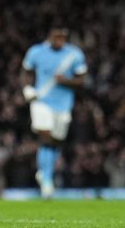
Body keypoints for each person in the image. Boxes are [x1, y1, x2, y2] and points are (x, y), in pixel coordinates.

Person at [22, 27, 87, 198]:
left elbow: (82, 80)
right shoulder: (36, 52)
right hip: (41, 101)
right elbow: (26, 72)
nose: (59, 39)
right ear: (49, 36)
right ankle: (47, 181)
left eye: (62, 36)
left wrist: (66, 81)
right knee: (45, 136)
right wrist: (27, 88)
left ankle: (45, 172)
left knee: (56, 142)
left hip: (63, 105)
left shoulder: (74, 55)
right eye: (56, 36)